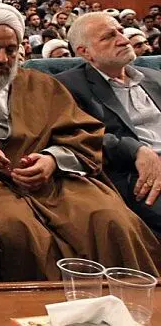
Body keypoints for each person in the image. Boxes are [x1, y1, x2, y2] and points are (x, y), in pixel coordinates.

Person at [0, 3, 161, 280]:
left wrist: (52, 160)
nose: (3, 58)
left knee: (110, 218)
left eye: (11, 50)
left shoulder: (41, 84)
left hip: (57, 179)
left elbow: (83, 133)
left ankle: (130, 301)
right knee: (15, 228)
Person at [57, 13, 161, 236]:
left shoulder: (155, 76)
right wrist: (137, 150)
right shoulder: (68, 85)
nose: (123, 40)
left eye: (121, 32)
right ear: (85, 52)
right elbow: (79, 134)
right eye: (108, 37)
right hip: (136, 172)